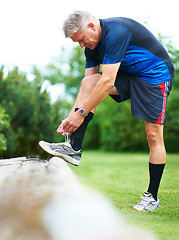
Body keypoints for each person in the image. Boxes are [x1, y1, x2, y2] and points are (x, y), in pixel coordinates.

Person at [39, 10, 175, 211]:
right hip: (130, 75)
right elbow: (88, 86)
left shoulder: (116, 32)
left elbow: (106, 82)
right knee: (89, 83)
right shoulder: (91, 46)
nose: (82, 45)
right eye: (77, 42)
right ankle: (74, 148)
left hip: (155, 77)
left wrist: (80, 113)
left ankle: (152, 197)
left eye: (82, 39)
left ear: (92, 26)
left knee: (153, 136)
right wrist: (72, 116)